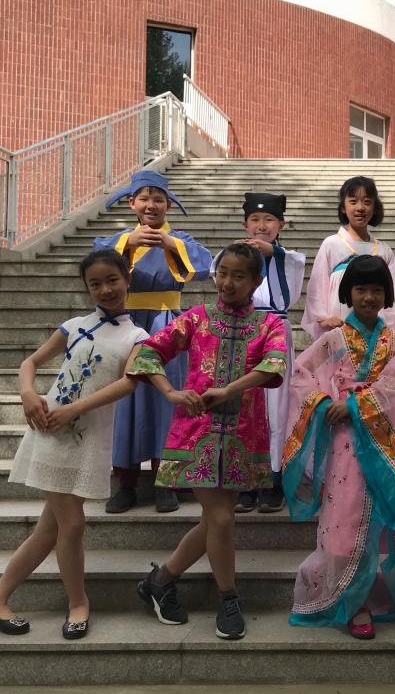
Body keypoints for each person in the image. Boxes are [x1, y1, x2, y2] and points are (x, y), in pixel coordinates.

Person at [0, 250, 147, 640]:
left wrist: (76, 408)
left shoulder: (137, 337)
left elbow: (129, 382)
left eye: (112, 280)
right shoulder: (73, 326)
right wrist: (27, 394)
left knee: (49, 530)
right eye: (95, 284)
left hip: (88, 437)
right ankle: (78, 604)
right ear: (86, 288)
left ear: (128, 279)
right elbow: (30, 363)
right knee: (71, 524)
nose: (105, 289)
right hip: (50, 431)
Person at [129, 243, 288, 641]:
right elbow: (146, 353)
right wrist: (170, 392)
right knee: (220, 519)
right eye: (222, 273)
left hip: (242, 436)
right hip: (196, 432)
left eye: (239, 276)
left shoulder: (269, 324)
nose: (227, 283)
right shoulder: (197, 318)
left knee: (216, 520)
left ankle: (160, 581)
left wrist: (230, 389)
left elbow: (274, 365)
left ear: (256, 281)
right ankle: (229, 599)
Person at [283, 255, 395, 640]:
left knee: (380, 521)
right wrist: (324, 403)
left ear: (387, 294)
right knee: (344, 519)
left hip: (385, 440)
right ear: (348, 292)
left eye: (377, 289)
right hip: (344, 441)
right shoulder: (333, 339)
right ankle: (352, 601)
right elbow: (301, 374)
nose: (369, 297)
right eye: (361, 288)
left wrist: (356, 405)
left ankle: (369, 596)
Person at [93, 169, 212, 514]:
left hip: (168, 325)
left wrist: (172, 244)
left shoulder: (180, 240)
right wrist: (127, 244)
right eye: (144, 199)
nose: (151, 205)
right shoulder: (119, 240)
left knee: (167, 400)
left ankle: (166, 481)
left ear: (168, 205)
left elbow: (206, 263)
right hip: (125, 323)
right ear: (131, 203)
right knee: (123, 401)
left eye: (158, 199)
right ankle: (125, 482)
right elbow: (96, 260)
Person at [215, 192, 306, 514]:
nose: (262, 226)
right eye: (255, 219)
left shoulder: (288, 258)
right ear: (245, 224)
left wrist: (274, 253)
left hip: (275, 329)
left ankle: (273, 479)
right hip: (240, 330)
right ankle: (244, 479)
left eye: (269, 220)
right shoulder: (230, 256)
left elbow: (289, 284)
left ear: (281, 224)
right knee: (244, 405)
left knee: (276, 408)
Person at [300, 176, 395, 340]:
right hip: (338, 326)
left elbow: (394, 295)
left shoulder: (384, 251)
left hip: (376, 331)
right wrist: (322, 317)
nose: (360, 208)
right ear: (343, 207)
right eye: (353, 201)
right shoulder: (331, 244)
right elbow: (317, 286)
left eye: (367, 202)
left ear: (375, 208)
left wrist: (388, 327)